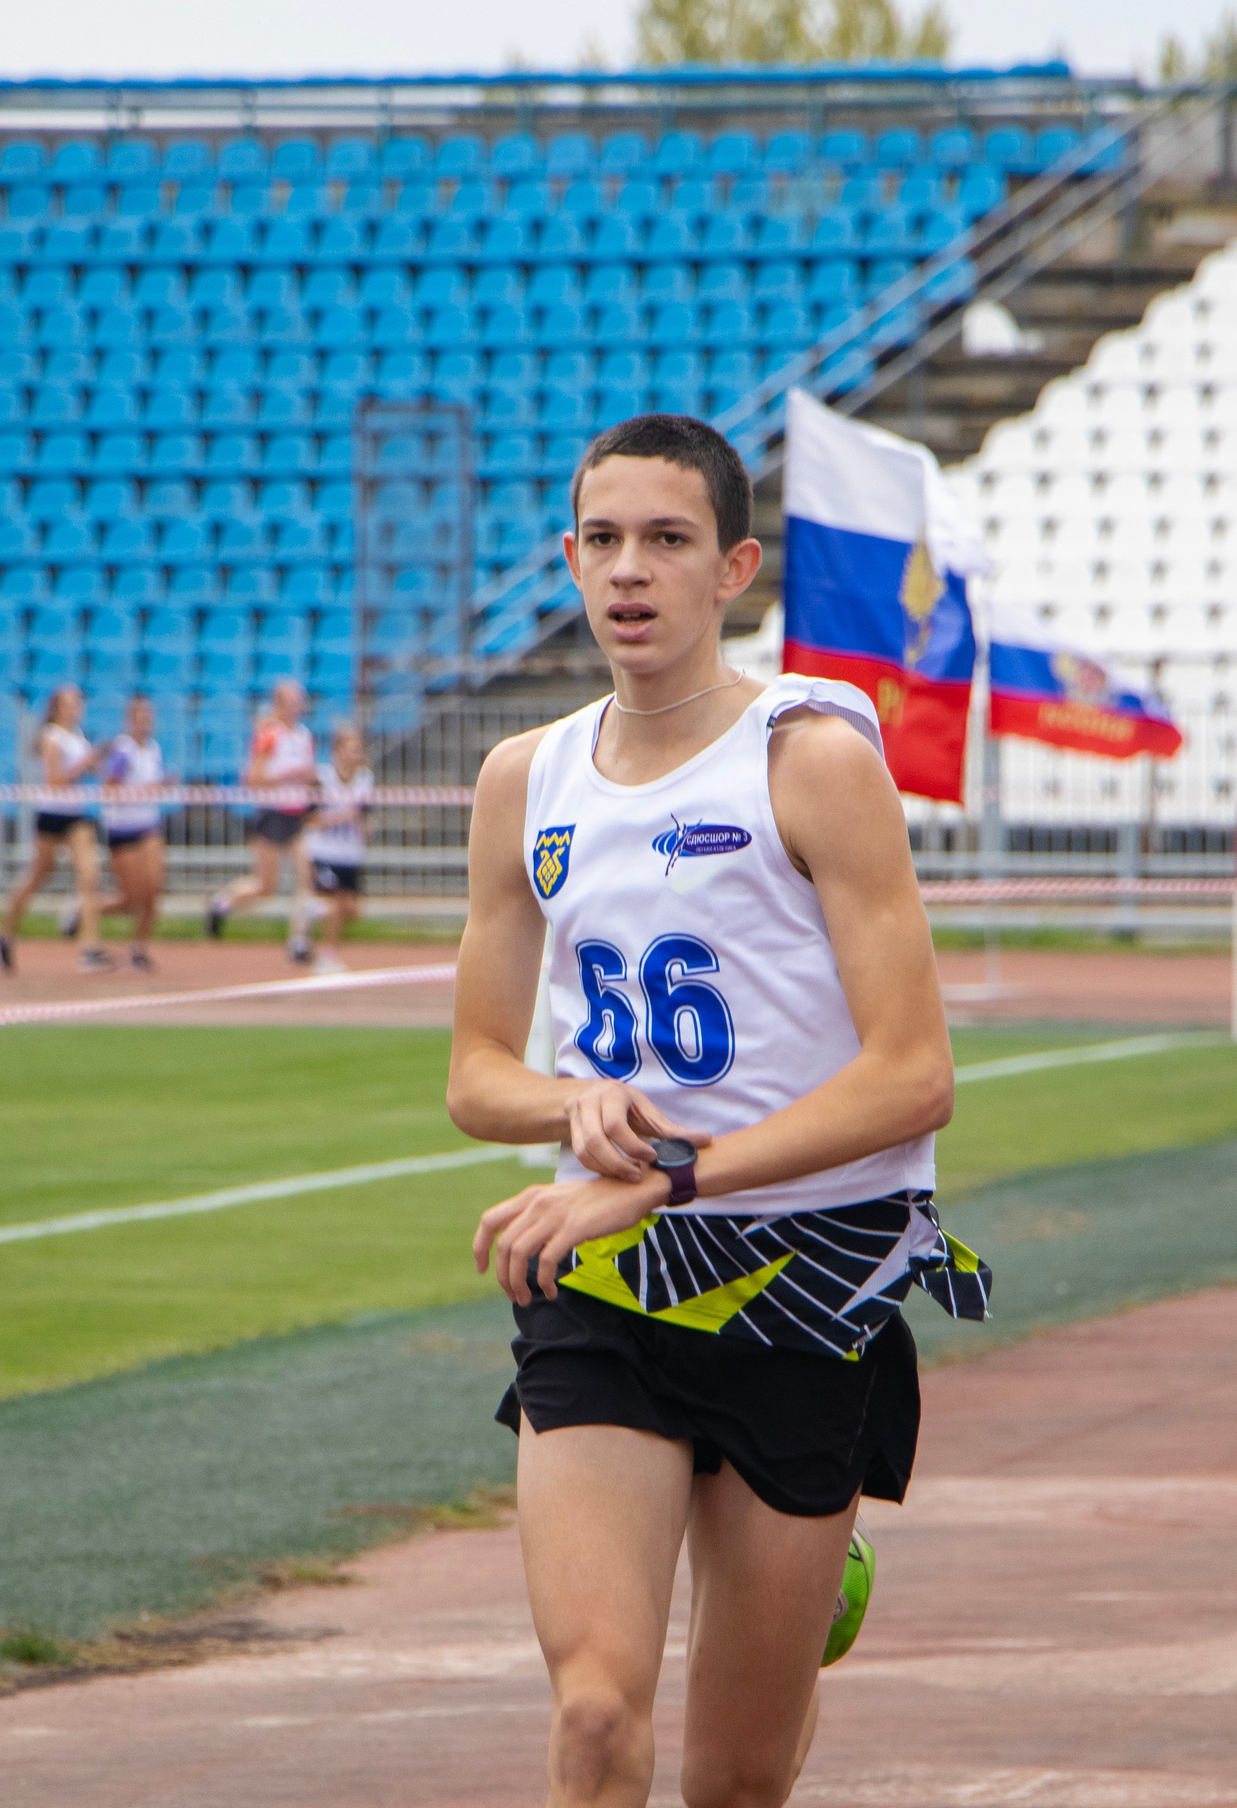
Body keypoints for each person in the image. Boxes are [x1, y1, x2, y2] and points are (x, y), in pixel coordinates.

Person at [446, 415, 990, 1808]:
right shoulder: (525, 780)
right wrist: (580, 1104)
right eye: (605, 541)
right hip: (611, 1279)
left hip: (806, 1279)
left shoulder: (806, 759)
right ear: (570, 561)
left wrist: (669, 1172)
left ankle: (813, 1574)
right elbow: (477, 1075)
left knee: (734, 1785)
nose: (632, 571)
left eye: (669, 541)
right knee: (595, 1720)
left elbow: (913, 1076)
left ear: (733, 567)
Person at [0, 684, 110, 975]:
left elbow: (87, 771)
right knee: (37, 877)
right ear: (57, 708)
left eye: (78, 703)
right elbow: (55, 780)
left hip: (76, 816)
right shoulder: (52, 737)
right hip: (51, 815)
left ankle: (89, 947)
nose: (76, 708)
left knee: (89, 874)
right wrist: (86, 763)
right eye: (71, 704)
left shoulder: (78, 737)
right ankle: (6, 932)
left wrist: (103, 761)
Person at [205, 678, 317, 961]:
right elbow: (252, 779)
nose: (297, 707)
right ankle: (222, 903)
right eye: (291, 701)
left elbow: (306, 776)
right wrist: (290, 776)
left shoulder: (304, 736)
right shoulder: (269, 735)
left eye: (299, 701)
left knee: (306, 878)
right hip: (271, 814)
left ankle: (299, 940)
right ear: (279, 704)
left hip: (296, 816)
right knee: (266, 886)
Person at [73, 693, 170, 975]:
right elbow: (110, 789)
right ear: (130, 721)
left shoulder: (153, 748)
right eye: (140, 718)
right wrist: (147, 791)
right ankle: (84, 912)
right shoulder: (124, 751)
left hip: (148, 825)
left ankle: (139, 948)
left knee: (153, 890)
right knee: (131, 898)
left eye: (149, 718)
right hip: (123, 829)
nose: (146, 724)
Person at [303, 721, 374, 977]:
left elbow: (365, 814)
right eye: (351, 748)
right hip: (325, 852)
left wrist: (365, 829)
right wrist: (338, 818)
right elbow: (309, 818)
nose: (356, 754)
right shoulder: (322, 778)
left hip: (351, 853)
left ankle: (312, 912)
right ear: (338, 750)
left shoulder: (365, 778)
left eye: (358, 749)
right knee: (334, 904)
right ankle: (326, 957)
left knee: (352, 910)